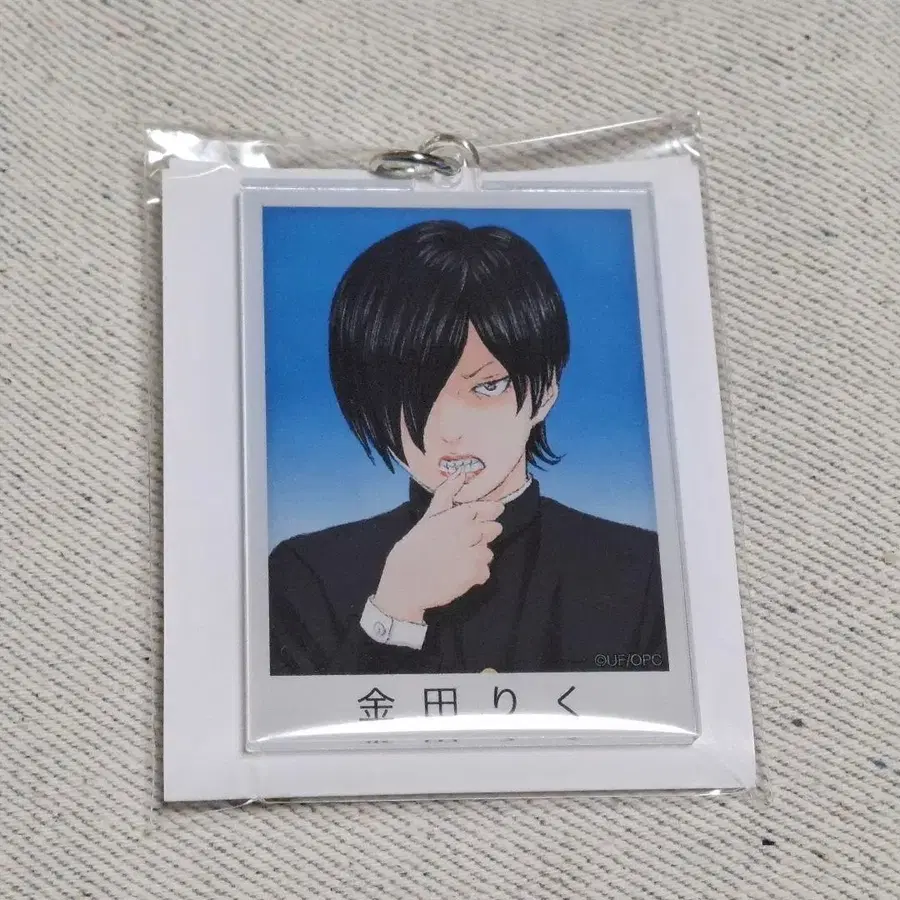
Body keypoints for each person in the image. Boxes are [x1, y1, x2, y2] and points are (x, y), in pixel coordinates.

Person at [269, 220, 668, 675]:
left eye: (488, 386)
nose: (450, 430)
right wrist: (394, 611)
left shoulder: (640, 568)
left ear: (546, 391)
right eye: (414, 397)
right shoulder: (306, 574)